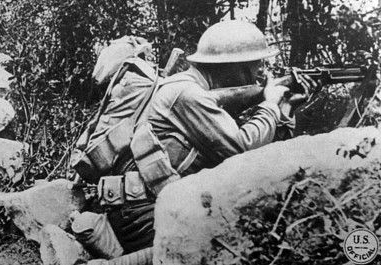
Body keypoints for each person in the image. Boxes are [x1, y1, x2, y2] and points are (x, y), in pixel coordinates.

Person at [102, 20, 316, 254]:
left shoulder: (191, 88)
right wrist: (271, 105)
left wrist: (286, 110)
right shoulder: (187, 93)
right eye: (256, 66)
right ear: (235, 67)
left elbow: (262, 158)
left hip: (150, 205)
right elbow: (241, 151)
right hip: (141, 212)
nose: (259, 74)